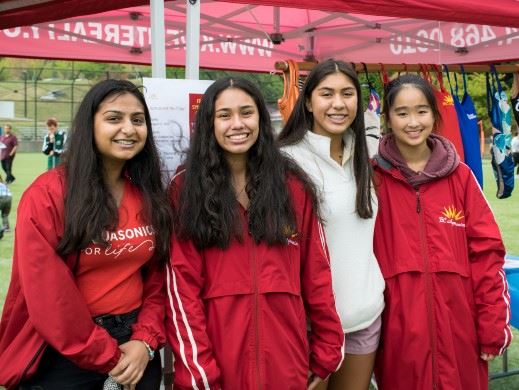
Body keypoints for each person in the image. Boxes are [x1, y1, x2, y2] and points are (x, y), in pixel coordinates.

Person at [165, 77, 344, 390]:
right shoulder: (184, 190)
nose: (237, 124)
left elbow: (317, 274)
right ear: (209, 123)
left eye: (246, 113)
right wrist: (200, 374)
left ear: (261, 118)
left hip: (286, 362)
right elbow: (182, 289)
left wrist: (327, 350)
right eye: (224, 115)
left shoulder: (293, 186)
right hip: (217, 363)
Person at [0, 79, 173, 389]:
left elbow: (158, 276)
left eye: (137, 120)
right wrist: (108, 357)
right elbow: (50, 296)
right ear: (89, 125)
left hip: (134, 343)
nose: (129, 129)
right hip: (64, 351)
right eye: (113, 118)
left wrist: (144, 340)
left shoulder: (148, 193)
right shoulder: (47, 195)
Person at [372, 74, 511, 389]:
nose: (412, 122)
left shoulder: (460, 177)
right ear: (388, 118)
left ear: (435, 115)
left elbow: (487, 255)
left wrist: (492, 325)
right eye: (402, 112)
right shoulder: (371, 179)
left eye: (421, 111)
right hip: (398, 336)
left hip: (461, 332)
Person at [278, 59, 385, 390]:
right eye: (327, 94)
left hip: (365, 316)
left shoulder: (364, 156)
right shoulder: (285, 161)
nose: (338, 104)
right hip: (310, 327)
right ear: (308, 102)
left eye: (347, 93)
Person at [0, 174, 12, 239]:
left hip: (1, 197)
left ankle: (0, 230)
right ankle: (6, 227)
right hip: (9, 198)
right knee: (5, 214)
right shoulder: (3, 184)